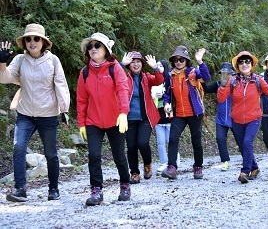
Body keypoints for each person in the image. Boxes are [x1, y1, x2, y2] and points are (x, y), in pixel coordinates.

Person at [0, 24, 70, 202]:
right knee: (18, 148)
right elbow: (5, 78)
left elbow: (61, 84)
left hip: (47, 114)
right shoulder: (21, 60)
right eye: (28, 39)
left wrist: (64, 110)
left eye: (36, 39)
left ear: (43, 42)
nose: (32, 42)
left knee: (51, 153)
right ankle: (20, 189)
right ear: (24, 42)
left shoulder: (53, 60)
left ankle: (53, 189)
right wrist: (2, 63)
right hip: (25, 113)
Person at [77, 32, 131, 206]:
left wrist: (123, 113)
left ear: (106, 49)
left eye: (97, 45)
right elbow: (81, 99)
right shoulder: (85, 73)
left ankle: (125, 185)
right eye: (90, 46)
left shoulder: (115, 68)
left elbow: (123, 90)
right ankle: (96, 190)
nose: (93, 49)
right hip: (93, 121)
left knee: (119, 156)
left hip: (115, 120)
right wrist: (81, 123)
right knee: (93, 155)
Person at [217, 51, 268, 183]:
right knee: (243, 146)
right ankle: (255, 168)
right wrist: (222, 85)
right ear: (237, 65)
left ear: (252, 64)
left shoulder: (257, 80)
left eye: (247, 61)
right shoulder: (232, 81)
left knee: (247, 143)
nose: (244, 64)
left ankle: (245, 171)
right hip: (237, 120)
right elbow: (221, 98)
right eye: (241, 62)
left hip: (254, 119)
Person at [161, 45, 211, 180]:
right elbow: (167, 93)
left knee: (196, 141)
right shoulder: (170, 75)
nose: (178, 62)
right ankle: (172, 167)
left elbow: (206, 77)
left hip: (195, 113)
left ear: (187, 61)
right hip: (179, 114)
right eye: (176, 59)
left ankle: (198, 167)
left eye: (181, 59)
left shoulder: (193, 72)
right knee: (172, 139)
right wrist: (166, 103)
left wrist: (200, 61)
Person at [121, 51, 164, 184]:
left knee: (142, 143)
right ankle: (134, 173)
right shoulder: (124, 77)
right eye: (133, 62)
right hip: (129, 118)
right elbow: (112, 76)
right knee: (132, 146)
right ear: (129, 65)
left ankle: (147, 164)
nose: (135, 64)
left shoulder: (146, 77)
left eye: (138, 61)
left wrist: (155, 68)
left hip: (146, 117)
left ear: (142, 64)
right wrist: (122, 64)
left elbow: (159, 80)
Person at [202, 62, 239, 171]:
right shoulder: (218, 84)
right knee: (220, 139)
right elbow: (206, 89)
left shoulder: (237, 84)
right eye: (222, 73)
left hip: (235, 118)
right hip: (221, 118)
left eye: (227, 73)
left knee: (240, 140)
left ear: (232, 74)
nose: (225, 76)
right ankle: (225, 162)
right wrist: (201, 78)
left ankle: (248, 160)